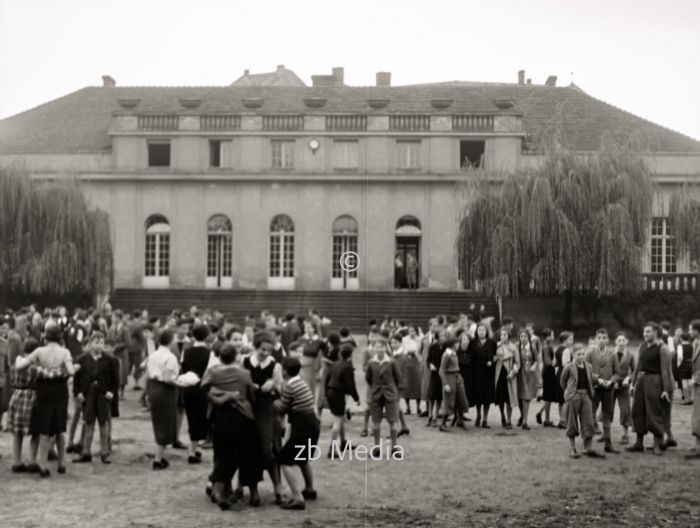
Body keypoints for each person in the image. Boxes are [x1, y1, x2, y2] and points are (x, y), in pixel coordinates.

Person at [202, 344, 259, 510]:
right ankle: (254, 493)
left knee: (224, 454)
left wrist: (219, 395)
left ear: (220, 357)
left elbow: (204, 388)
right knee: (248, 453)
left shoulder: (213, 372)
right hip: (243, 417)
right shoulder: (244, 374)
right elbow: (251, 396)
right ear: (235, 357)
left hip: (221, 417)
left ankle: (218, 490)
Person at [15, 321, 75, 477]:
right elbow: (71, 371)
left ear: (45, 337)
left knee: (44, 429)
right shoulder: (65, 352)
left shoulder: (39, 351)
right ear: (60, 337)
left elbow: (21, 366)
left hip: (44, 392)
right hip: (60, 392)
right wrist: (58, 372)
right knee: (60, 429)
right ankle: (62, 463)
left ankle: (43, 466)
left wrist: (40, 369)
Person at [239, 331, 284, 505]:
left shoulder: (275, 365)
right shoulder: (245, 361)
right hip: (248, 408)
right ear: (256, 346)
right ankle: (253, 490)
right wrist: (250, 385)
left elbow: (281, 391)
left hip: (266, 408)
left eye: (269, 350)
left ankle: (278, 487)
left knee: (269, 449)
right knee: (249, 449)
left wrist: (273, 384)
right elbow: (240, 384)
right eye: (262, 350)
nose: (266, 353)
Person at [274, 357, 320, 511]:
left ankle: (297, 497)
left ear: (285, 371)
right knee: (302, 457)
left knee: (284, 459)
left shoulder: (289, 386)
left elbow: (282, 407)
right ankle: (309, 489)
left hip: (303, 424)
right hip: (312, 422)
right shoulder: (301, 381)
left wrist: (275, 398)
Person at [626, 322, 674, 456]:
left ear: (656, 332)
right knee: (638, 411)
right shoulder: (642, 346)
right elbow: (637, 367)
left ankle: (657, 444)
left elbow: (665, 371)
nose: (645, 334)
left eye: (648, 331)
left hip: (656, 381)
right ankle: (638, 443)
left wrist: (666, 389)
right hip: (641, 381)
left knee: (655, 412)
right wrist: (633, 383)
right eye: (644, 331)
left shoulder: (662, 348)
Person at [73, 331, 118, 464]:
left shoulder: (110, 360)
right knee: (88, 423)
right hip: (88, 395)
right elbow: (77, 379)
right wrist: (78, 393)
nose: (99, 346)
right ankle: (86, 452)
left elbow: (115, 380)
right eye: (96, 342)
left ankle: (105, 452)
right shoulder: (82, 359)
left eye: (102, 343)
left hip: (103, 395)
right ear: (90, 343)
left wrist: (111, 392)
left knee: (103, 423)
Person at [560, 343, 604, 459]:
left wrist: (599, 380)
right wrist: (570, 393)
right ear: (573, 355)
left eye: (583, 354)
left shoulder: (588, 367)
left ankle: (587, 448)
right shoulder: (568, 367)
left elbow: (590, 379)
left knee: (588, 422)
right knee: (572, 422)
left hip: (586, 396)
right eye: (578, 354)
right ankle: (573, 448)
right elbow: (563, 382)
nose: (581, 356)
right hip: (573, 396)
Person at [146, 329, 180, 469]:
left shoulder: (153, 355)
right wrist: (181, 382)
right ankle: (158, 458)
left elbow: (149, 373)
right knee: (165, 423)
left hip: (153, 388)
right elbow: (167, 378)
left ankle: (160, 456)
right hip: (165, 390)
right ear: (171, 340)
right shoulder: (170, 357)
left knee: (159, 421)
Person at [365, 336, 403, 456]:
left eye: (381, 347)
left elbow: (399, 379)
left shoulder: (391, 362)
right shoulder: (371, 362)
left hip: (390, 394)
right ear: (374, 348)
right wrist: (375, 388)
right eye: (377, 347)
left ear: (386, 348)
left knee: (392, 422)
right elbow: (368, 378)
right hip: (376, 394)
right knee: (376, 422)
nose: (379, 349)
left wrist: (396, 393)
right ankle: (376, 447)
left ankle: (394, 447)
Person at [180, 324, 212, 464]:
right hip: (203, 389)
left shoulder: (186, 351)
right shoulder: (209, 353)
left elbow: (184, 368)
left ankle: (193, 448)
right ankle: (193, 451)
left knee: (192, 419)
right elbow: (210, 372)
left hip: (188, 388)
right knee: (201, 419)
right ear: (207, 336)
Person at [587, 328, 620, 454]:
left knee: (607, 415)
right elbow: (587, 372)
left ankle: (608, 442)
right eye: (599, 338)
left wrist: (612, 381)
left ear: (608, 340)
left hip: (608, 389)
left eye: (604, 338)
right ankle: (588, 442)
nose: (601, 340)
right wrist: (598, 379)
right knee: (590, 413)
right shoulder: (589, 354)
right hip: (594, 389)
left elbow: (617, 373)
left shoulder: (612, 354)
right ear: (596, 339)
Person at [325, 344, 360, 457]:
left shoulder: (335, 364)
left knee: (340, 418)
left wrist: (326, 393)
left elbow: (327, 379)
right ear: (350, 355)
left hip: (331, 392)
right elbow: (351, 385)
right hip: (338, 395)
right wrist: (356, 398)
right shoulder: (347, 366)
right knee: (338, 421)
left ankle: (343, 443)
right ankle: (332, 449)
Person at [438, 333, 468, 432]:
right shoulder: (446, 355)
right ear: (452, 345)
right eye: (457, 343)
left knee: (461, 398)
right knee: (448, 400)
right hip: (449, 376)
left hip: (457, 376)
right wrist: (445, 383)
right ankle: (442, 423)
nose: (458, 345)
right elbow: (441, 370)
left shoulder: (454, 353)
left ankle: (459, 419)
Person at [612, 332, 635, 445]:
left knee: (625, 410)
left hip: (624, 386)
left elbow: (635, 371)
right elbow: (605, 369)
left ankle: (625, 435)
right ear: (616, 341)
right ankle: (605, 435)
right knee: (606, 410)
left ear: (627, 342)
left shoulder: (630, 355)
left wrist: (628, 379)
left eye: (623, 340)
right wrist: (612, 381)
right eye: (619, 340)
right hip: (611, 385)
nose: (621, 343)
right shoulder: (610, 354)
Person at [472, 323, 496, 428]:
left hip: (488, 372)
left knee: (487, 397)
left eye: (483, 330)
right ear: (476, 332)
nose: (481, 331)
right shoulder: (473, 342)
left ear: (486, 331)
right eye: (479, 330)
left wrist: (492, 362)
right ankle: (478, 415)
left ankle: (485, 419)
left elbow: (496, 356)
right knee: (478, 395)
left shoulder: (492, 343)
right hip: (476, 372)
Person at [494, 328, 519, 429]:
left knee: (509, 398)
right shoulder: (497, 346)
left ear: (509, 336)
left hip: (509, 375)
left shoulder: (514, 348)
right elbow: (492, 358)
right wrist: (494, 359)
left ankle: (509, 420)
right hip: (499, 373)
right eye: (501, 335)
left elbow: (518, 363)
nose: (502, 336)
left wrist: (512, 373)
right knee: (500, 398)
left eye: (504, 335)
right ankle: (502, 416)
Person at [516, 329, 540, 430]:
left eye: (525, 336)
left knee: (526, 397)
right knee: (519, 398)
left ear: (528, 338)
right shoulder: (516, 347)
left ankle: (525, 421)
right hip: (519, 375)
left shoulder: (532, 347)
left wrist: (534, 365)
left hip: (529, 375)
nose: (523, 338)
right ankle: (522, 416)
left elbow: (537, 360)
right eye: (521, 336)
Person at [535, 328, 557, 427]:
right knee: (548, 397)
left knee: (550, 396)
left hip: (548, 371)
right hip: (548, 372)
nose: (553, 336)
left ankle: (540, 413)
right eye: (552, 335)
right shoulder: (546, 346)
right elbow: (548, 362)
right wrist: (558, 362)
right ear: (547, 336)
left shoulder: (547, 345)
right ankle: (547, 420)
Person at [685, 320, 700, 460]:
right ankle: (696, 445)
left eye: (690, 329)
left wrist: (695, 379)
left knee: (698, 415)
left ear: (697, 330)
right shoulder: (696, 343)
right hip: (697, 384)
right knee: (696, 414)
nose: (689, 332)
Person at [400, 326, 423, 414]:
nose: (412, 332)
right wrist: (408, 352)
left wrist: (416, 353)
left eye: (413, 331)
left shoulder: (419, 339)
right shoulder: (404, 339)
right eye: (410, 331)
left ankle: (418, 407)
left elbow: (421, 350)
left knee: (417, 385)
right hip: (408, 362)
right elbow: (402, 350)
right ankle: (408, 407)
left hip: (416, 362)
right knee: (407, 385)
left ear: (416, 331)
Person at [678, 332, 694, 405]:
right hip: (690, 364)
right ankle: (691, 398)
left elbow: (680, 357)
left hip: (683, 365)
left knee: (684, 382)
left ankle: (686, 399)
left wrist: (678, 365)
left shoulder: (680, 346)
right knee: (690, 381)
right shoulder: (691, 346)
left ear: (681, 338)